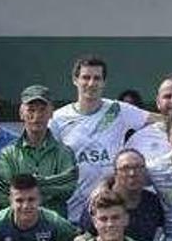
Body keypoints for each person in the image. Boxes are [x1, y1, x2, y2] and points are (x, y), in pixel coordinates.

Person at [50, 56, 155, 224]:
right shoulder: (58, 119)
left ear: (104, 82)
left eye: (97, 78)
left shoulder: (117, 110)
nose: (91, 83)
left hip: (111, 215)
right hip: (72, 214)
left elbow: (160, 120)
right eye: (86, 77)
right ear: (75, 80)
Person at [0, 84, 77, 218]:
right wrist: (49, 187)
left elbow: (68, 185)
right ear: (21, 113)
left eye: (42, 110)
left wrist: (24, 187)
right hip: (18, 228)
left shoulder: (65, 153)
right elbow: (1, 195)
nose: (36, 116)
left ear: (51, 113)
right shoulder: (7, 154)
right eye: (31, 110)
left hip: (55, 228)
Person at [81, 151, 164, 241]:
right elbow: (84, 238)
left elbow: (158, 238)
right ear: (115, 173)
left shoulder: (153, 202)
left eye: (138, 167)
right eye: (125, 168)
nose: (132, 173)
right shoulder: (99, 202)